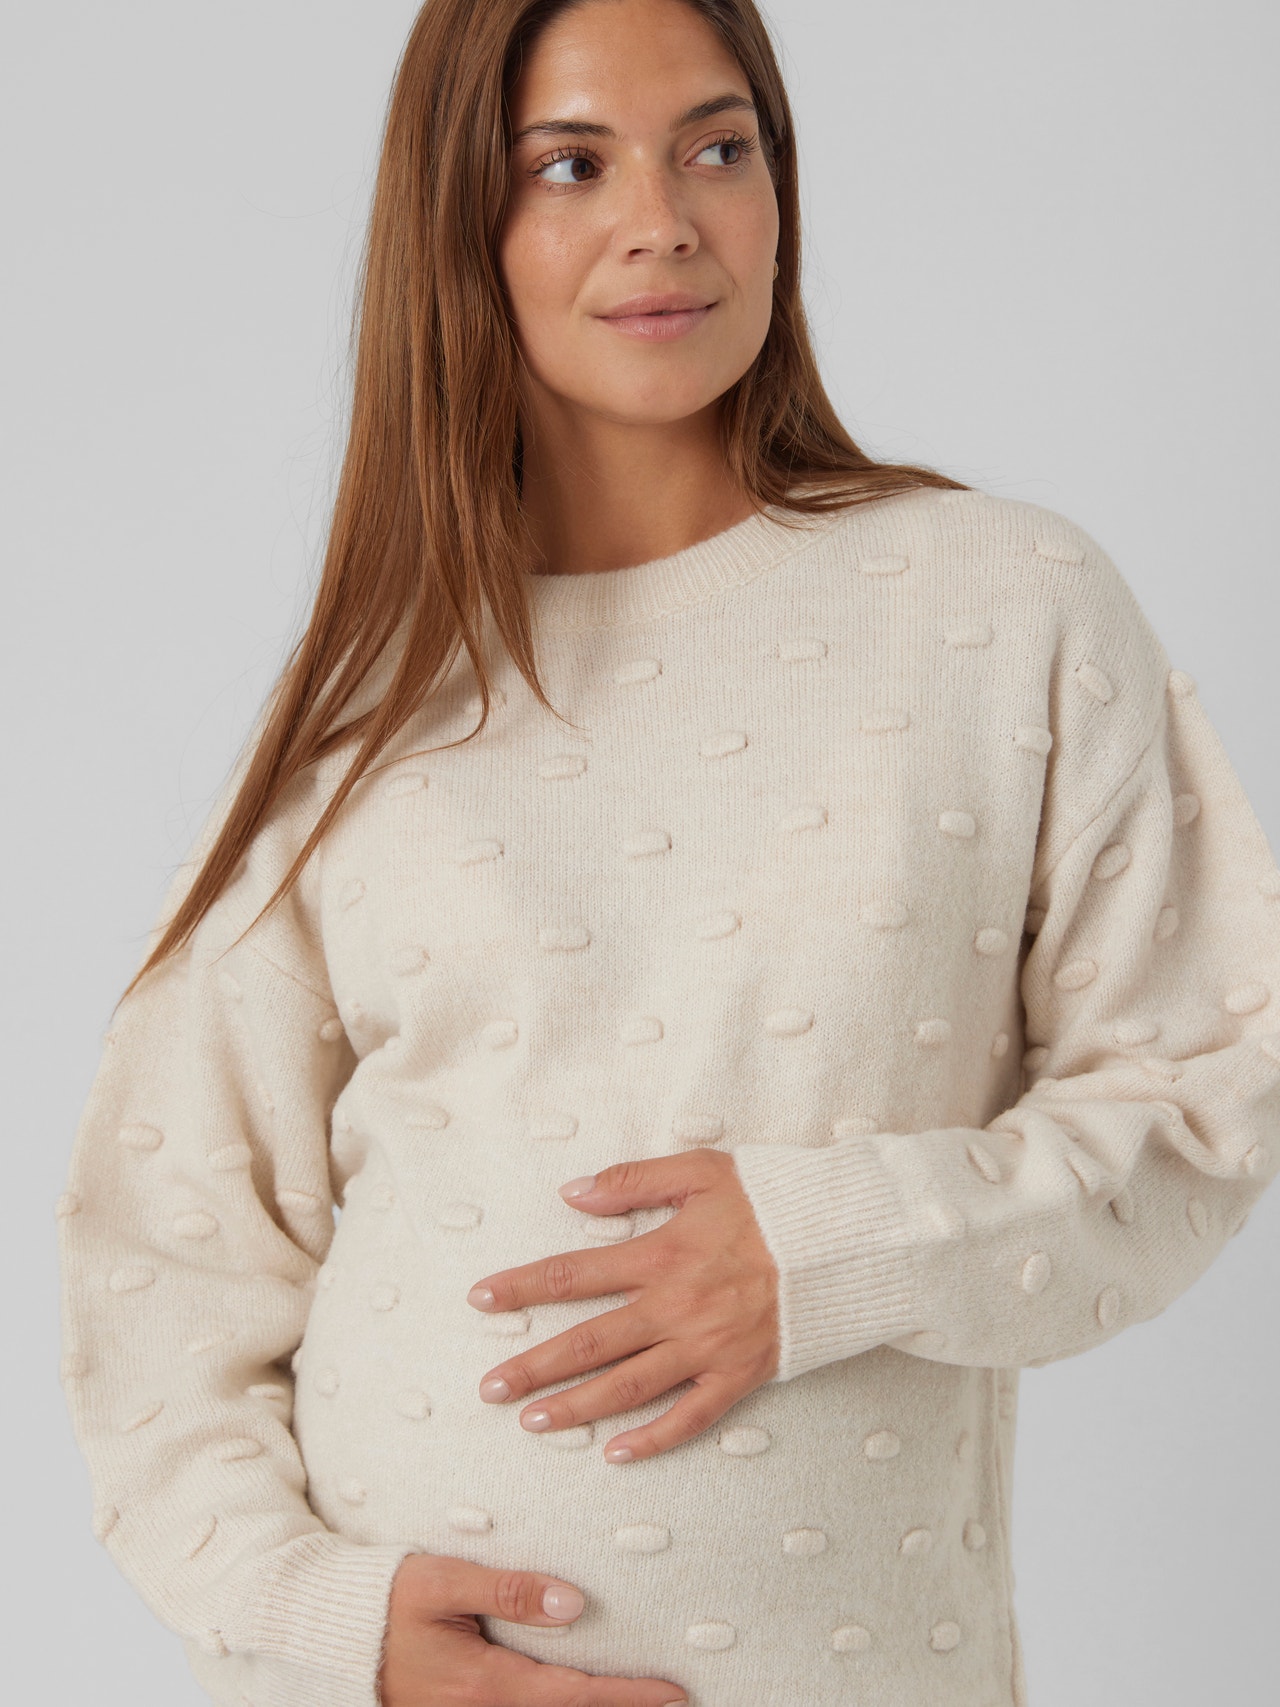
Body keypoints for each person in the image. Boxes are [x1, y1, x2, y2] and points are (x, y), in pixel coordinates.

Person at [55, 0, 1280, 1704]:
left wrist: (834, 1246)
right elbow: (168, 1270)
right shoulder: (365, 715)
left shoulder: (1003, 606)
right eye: (571, 165)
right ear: (461, 225)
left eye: (718, 147)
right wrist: (336, 1628)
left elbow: (1206, 1093)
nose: (664, 220)